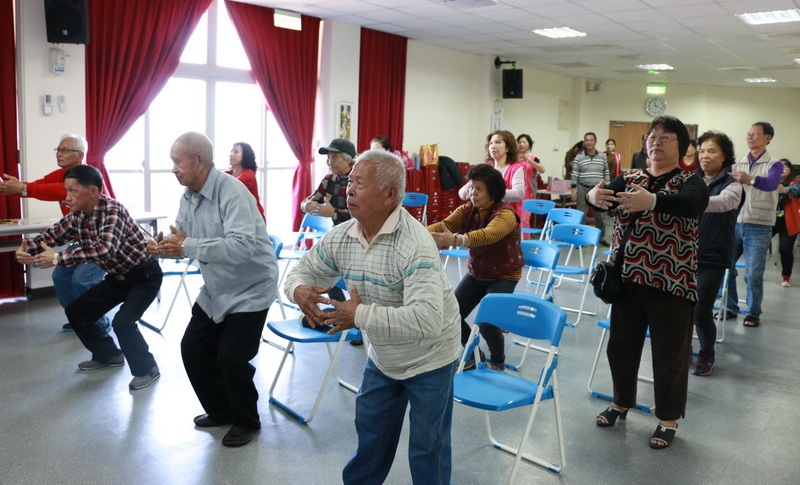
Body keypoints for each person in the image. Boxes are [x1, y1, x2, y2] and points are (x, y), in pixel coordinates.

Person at [285, 149, 461, 484]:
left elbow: (427, 320)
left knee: (428, 449)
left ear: (390, 194)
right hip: (383, 356)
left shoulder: (415, 244)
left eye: (359, 184)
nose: (349, 190)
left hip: (431, 357)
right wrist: (298, 291)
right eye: (350, 182)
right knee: (371, 441)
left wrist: (360, 315)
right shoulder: (343, 235)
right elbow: (300, 271)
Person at [586, 115, 709, 449]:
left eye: (666, 137)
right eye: (652, 136)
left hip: (670, 283)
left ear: (682, 146)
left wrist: (653, 201)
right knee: (621, 347)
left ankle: (667, 419)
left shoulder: (690, 181)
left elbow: (694, 205)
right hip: (626, 281)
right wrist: (593, 199)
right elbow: (599, 197)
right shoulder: (629, 177)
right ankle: (620, 401)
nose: (656, 141)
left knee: (669, 354)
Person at [149, 132, 278, 447]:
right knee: (193, 349)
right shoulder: (189, 196)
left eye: (177, 162)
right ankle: (221, 411)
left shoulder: (232, 192)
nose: (173, 169)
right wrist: (166, 245)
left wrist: (186, 246)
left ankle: (247, 421)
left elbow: (242, 247)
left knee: (232, 358)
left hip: (251, 288)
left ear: (198, 161)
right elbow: (183, 236)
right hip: (218, 288)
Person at [15, 165, 163, 390]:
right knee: (77, 312)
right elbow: (53, 234)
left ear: (93, 191)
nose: (67, 197)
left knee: (122, 322)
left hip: (144, 276)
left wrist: (57, 258)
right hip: (117, 277)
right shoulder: (77, 216)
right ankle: (108, 355)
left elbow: (104, 250)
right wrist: (27, 248)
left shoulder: (113, 210)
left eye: (73, 191)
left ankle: (147, 368)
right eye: (67, 191)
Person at [1, 134, 110, 333]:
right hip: (79, 239)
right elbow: (39, 187)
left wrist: (24, 188)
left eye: (64, 150)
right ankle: (79, 318)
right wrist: (9, 189)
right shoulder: (62, 176)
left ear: (80, 155)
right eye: (58, 150)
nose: (59, 154)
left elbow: (51, 190)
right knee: (61, 278)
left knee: (82, 280)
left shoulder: (85, 177)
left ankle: (99, 321)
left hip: (100, 242)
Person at [428, 163, 523, 372]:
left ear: (493, 192)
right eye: (471, 187)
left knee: (489, 323)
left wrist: (454, 239)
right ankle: (473, 355)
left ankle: (498, 360)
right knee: (450, 313)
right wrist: (417, 232)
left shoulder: (505, 215)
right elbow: (444, 225)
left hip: (504, 275)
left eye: (478, 189)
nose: (472, 193)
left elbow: (487, 235)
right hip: (478, 273)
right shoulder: (468, 209)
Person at [299, 137, 362, 345]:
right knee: (327, 278)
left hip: (361, 237)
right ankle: (342, 312)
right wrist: (306, 205)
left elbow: (362, 214)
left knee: (357, 285)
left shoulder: (359, 179)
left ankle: (359, 324)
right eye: (328, 158)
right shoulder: (329, 179)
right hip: (338, 237)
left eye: (334, 157)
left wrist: (334, 212)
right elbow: (310, 200)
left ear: (347, 160)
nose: (330, 162)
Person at [692, 131, 743, 376]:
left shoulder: (733, 186)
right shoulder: (690, 180)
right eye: (702, 150)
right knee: (680, 307)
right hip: (683, 253)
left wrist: (688, 200)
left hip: (712, 256)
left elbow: (721, 203)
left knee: (700, 309)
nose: (705, 155)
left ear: (724, 156)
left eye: (711, 151)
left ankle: (706, 354)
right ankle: (681, 349)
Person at [724, 122, 782, 327]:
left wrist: (750, 179)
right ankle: (731, 307)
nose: (750, 137)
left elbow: (772, 183)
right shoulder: (737, 162)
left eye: (756, 134)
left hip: (759, 225)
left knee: (753, 273)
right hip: (735, 222)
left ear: (768, 138)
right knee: (726, 267)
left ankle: (754, 312)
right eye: (748, 134)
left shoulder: (774, 164)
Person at [458, 130, 529, 229]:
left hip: (506, 220)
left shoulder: (516, 168)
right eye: (491, 143)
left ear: (507, 148)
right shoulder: (485, 168)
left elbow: (519, 194)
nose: (493, 146)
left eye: (498, 142)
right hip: (485, 219)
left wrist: (490, 194)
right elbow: (462, 193)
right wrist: (470, 191)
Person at [572, 132, 611, 246]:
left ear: (595, 142)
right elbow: (574, 174)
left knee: (600, 215)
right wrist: (574, 189)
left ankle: (600, 238)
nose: (589, 142)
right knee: (581, 214)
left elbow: (606, 172)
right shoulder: (579, 157)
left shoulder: (602, 156)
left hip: (598, 189)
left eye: (591, 140)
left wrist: (607, 187)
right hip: (582, 188)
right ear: (584, 142)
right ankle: (580, 239)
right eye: (587, 140)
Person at [773, 159, 800, 287]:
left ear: (790, 169)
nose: (782, 168)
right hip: (770, 220)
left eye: (785, 166)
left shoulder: (796, 183)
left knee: (785, 249)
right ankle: (755, 273)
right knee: (758, 247)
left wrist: (784, 189)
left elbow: (795, 190)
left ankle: (786, 277)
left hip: (789, 222)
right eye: (780, 166)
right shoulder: (770, 181)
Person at [227, 142, 265, 221]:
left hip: (254, 219)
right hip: (239, 217)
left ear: (245, 155)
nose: (231, 154)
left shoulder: (248, 174)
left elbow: (230, 188)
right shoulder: (228, 173)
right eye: (231, 151)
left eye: (236, 152)